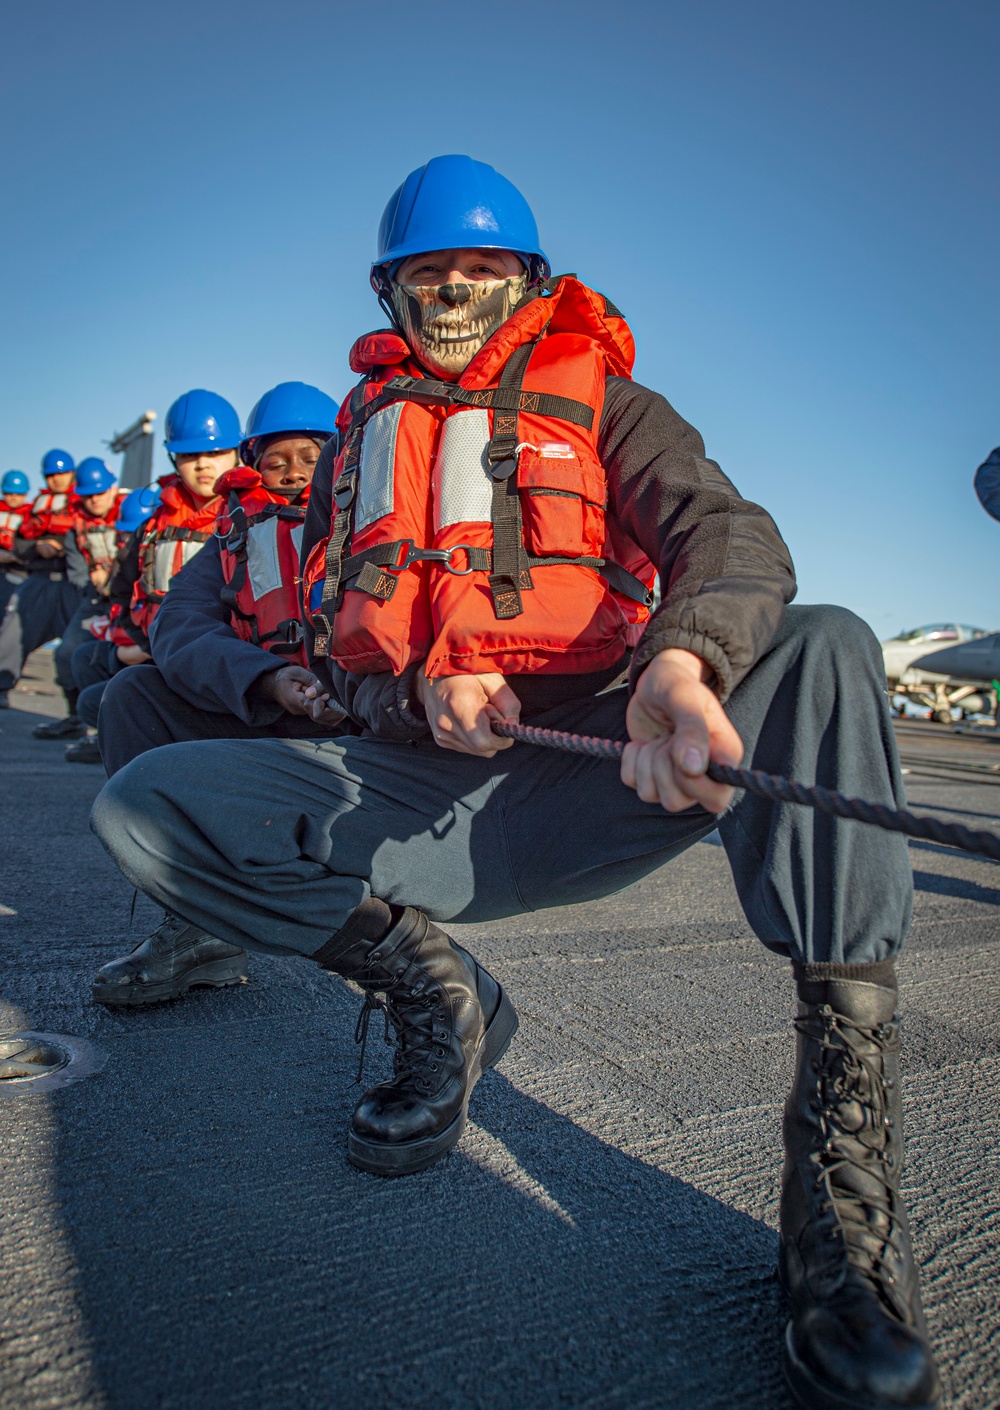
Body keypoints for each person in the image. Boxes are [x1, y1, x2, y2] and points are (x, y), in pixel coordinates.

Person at [91, 156, 939, 1410]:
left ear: (527, 282)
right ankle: (440, 994)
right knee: (146, 799)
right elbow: (335, 638)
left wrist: (684, 663)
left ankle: (841, 1158)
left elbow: (730, 533)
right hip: (420, 779)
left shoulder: (610, 399)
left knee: (826, 643)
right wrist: (411, 688)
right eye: (427, 272)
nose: (453, 292)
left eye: (480, 269)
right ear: (389, 291)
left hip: (608, 763)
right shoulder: (350, 451)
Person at [92, 381, 351, 1007]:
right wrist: (264, 678)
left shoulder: (379, 513)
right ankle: (198, 922)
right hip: (272, 712)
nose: (293, 476)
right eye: (275, 462)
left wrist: (358, 684)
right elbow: (176, 624)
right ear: (253, 466)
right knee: (132, 694)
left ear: (344, 457)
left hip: (362, 726)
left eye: (311, 459)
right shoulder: (235, 535)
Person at [31, 457, 126, 742]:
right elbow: (77, 573)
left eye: (101, 492)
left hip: (133, 600)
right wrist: (96, 582)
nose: (95, 500)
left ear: (113, 489)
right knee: (68, 652)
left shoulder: (134, 515)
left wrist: (116, 580)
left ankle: (115, 728)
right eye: (88, 495)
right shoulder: (76, 529)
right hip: (98, 600)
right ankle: (77, 716)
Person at [65, 484, 162, 763]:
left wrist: (124, 652)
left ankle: (138, 750)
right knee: (84, 655)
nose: (126, 543)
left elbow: (166, 642)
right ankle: (103, 737)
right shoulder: (132, 567)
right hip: (138, 651)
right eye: (123, 536)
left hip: (154, 660)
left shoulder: (171, 568)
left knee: (94, 691)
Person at [0, 449, 78, 713]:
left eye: (62, 473)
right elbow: (19, 543)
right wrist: (38, 546)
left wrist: (61, 546)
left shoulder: (83, 502)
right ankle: (1, 689)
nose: (57, 479)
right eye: (51, 474)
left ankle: (75, 714)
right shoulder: (35, 507)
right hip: (40, 581)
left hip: (73, 584)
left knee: (76, 646)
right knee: (11, 634)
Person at [0, 471, 33, 687]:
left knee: (11, 626)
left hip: (21, 576)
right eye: (8, 493)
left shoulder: (32, 515)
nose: (12, 497)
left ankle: (3, 683)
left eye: (17, 494)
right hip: (3, 575)